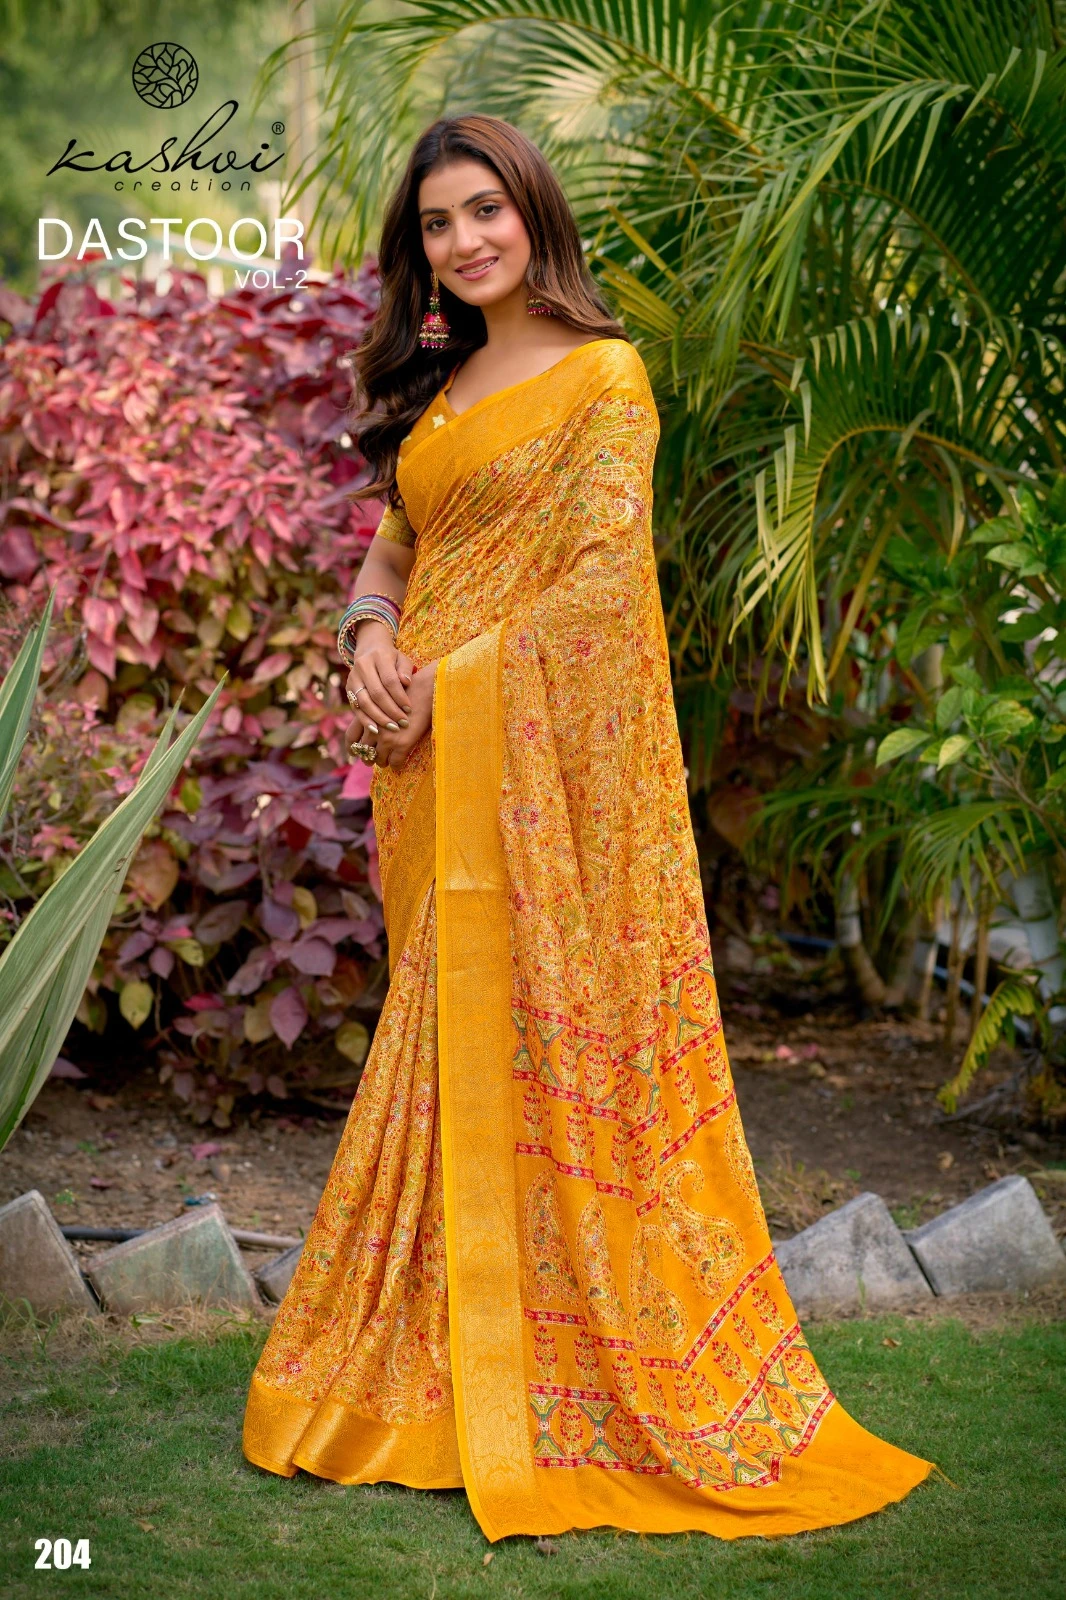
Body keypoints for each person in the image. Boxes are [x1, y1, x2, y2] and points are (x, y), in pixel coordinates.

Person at [242, 113, 932, 1542]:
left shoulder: (604, 377)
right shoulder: (441, 380)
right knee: (451, 1052)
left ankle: (555, 1376)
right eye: (436, 223)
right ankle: (449, 1366)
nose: (463, 241)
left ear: (533, 210)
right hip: (428, 772)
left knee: (539, 1049)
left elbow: (604, 589)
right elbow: (399, 537)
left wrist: (445, 683)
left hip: (521, 765)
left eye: (484, 209)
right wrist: (369, 635)